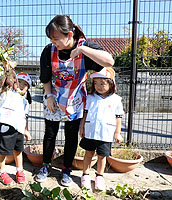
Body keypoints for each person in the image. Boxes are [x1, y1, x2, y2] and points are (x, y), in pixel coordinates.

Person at [37, 14, 115, 187]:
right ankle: (45, 165)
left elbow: (109, 60)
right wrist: (49, 95)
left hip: (75, 101)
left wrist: (83, 50)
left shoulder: (86, 48)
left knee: (71, 137)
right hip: (54, 98)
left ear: (69, 35)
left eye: (56, 38)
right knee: (50, 134)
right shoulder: (48, 51)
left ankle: (66, 169)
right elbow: (45, 77)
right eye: (51, 38)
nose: (53, 42)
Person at [79, 67, 123, 191]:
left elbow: (118, 117)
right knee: (88, 153)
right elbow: (85, 113)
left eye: (102, 83)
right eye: (96, 83)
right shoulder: (90, 97)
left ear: (111, 83)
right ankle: (85, 175)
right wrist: (82, 127)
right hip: (90, 131)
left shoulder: (116, 100)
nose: (98, 86)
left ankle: (99, 176)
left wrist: (117, 133)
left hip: (106, 133)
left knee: (102, 156)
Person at [0, 70, 32, 185]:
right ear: (13, 83)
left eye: (25, 84)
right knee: (3, 150)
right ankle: (1, 172)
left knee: (18, 150)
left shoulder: (25, 102)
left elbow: (25, 117)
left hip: (19, 128)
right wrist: (8, 70)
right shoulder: (7, 94)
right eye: (19, 82)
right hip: (6, 126)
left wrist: (26, 130)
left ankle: (19, 170)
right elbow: (4, 83)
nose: (21, 85)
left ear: (28, 88)